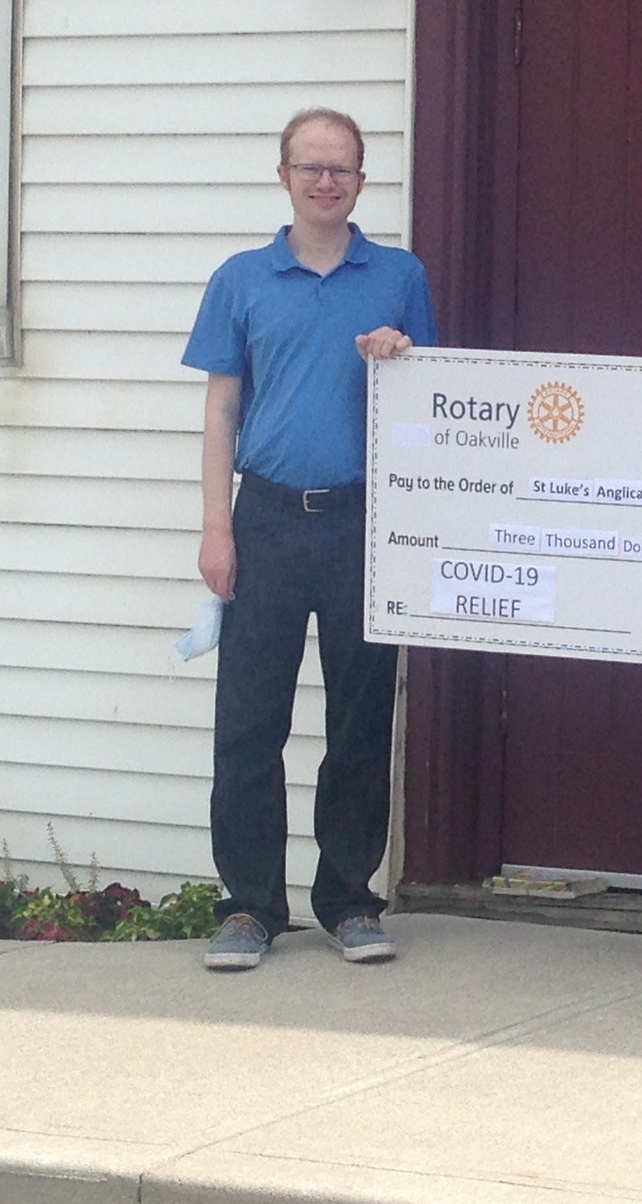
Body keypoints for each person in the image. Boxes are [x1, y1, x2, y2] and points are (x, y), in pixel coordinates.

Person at [182, 108, 437, 971]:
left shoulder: (399, 277)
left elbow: (432, 405)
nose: (326, 182)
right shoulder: (241, 278)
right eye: (311, 167)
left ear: (363, 181)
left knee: (361, 720)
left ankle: (350, 902)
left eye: (343, 170)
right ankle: (250, 907)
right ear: (284, 175)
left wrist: (402, 357)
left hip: (366, 523)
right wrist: (217, 528)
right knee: (248, 721)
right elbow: (221, 408)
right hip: (266, 521)